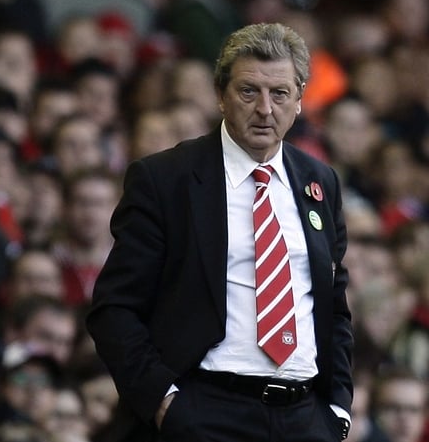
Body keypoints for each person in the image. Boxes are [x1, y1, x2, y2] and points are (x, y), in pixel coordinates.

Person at [86, 23, 353, 442]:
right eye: (249, 91)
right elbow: (114, 307)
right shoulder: (165, 179)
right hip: (204, 413)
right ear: (220, 94)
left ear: (300, 99)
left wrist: (337, 407)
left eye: (280, 93)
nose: (265, 109)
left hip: (306, 419)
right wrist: (163, 402)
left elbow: (334, 306)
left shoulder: (320, 182)